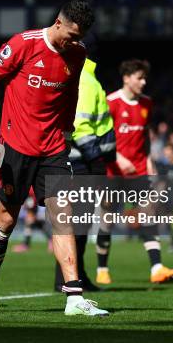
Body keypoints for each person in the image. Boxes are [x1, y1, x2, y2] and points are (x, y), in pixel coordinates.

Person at [0, 0, 109, 317]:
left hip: (53, 149)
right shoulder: (24, 44)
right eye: (72, 35)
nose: (75, 42)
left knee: (63, 216)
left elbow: (71, 93)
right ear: (58, 23)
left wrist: (65, 130)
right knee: (6, 220)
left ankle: (74, 297)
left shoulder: (77, 54)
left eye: (81, 37)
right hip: (15, 148)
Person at [97, 60, 173, 284]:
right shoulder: (111, 102)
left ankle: (157, 268)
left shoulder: (147, 103)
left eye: (145, 78)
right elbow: (101, 137)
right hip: (113, 170)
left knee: (147, 213)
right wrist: (118, 158)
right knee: (107, 218)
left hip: (139, 170)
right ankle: (102, 269)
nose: (143, 82)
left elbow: (143, 135)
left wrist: (148, 159)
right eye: (139, 78)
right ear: (126, 78)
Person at [53, 57, 116, 292]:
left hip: (75, 161)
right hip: (81, 163)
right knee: (76, 224)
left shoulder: (82, 76)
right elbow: (81, 125)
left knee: (75, 224)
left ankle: (72, 276)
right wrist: (98, 163)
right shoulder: (87, 80)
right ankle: (68, 279)